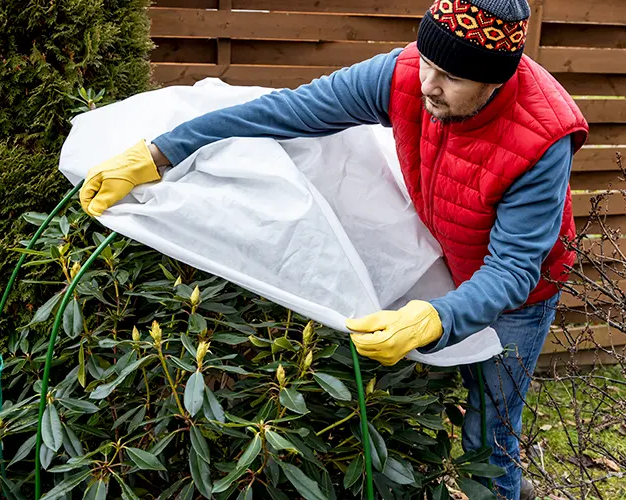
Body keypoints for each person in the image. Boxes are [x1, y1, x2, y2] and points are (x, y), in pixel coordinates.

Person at [79, 0, 588, 498]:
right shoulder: (404, 76)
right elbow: (290, 111)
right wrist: (163, 151)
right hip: (450, 256)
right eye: (428, 63)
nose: (428, 86)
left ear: (494, 80)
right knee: (438, 406)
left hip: (520, 295)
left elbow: (514, 267)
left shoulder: (542, 136)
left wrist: (435, 318)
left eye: (452, 78)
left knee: (488, 438)